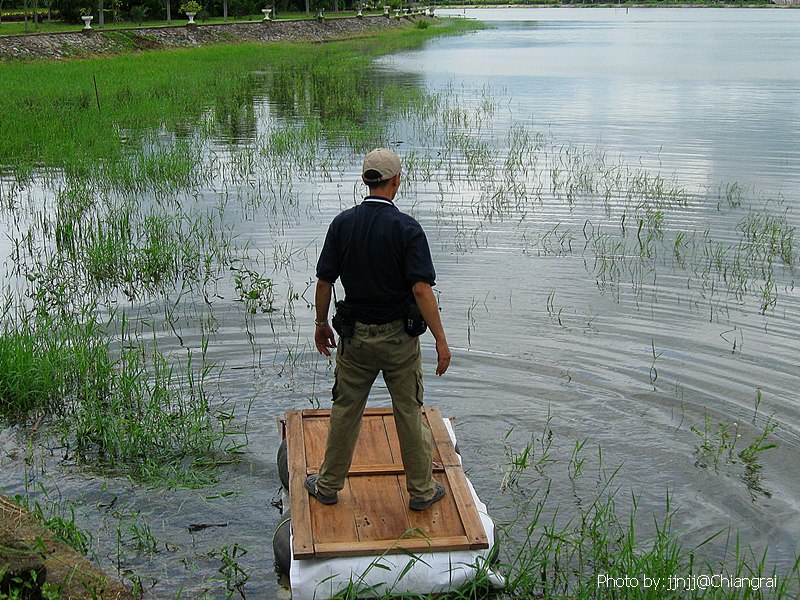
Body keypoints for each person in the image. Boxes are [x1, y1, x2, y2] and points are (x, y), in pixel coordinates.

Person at [308, 148, 451, 511]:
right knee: (408, 411)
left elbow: (325, 281)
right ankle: (421, 492)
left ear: (365, 180)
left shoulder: (342, 224)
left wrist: (321, 323)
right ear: (396, 181)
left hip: (354, 339)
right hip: (399, 341)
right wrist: (440, 338)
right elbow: (421, 289)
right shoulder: (407, 229)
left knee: (345, 411)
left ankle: (327, 486)